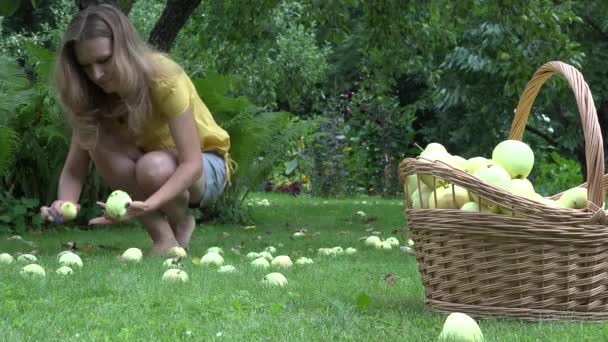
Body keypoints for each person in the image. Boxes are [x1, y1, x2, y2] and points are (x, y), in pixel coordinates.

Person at [39, 4, 234, 255]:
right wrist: (64, 204)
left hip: (206, 165)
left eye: (104, 60)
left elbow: (191, 164)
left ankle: (181, 220)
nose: (96, 74)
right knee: (97, 141)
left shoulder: (164, 78)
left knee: (153, 168)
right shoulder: (90, 96)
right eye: (85, 66)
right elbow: (74, 171)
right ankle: (164, 239)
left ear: (125, 49)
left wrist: (149, 205)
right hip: (153, 163)